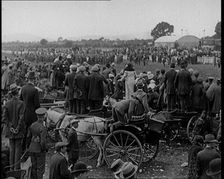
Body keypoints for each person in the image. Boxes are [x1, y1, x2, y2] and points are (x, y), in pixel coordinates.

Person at [2, 83, 25, 170]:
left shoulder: (7, 103)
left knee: (12, 149)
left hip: (10, 131)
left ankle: (11, 168)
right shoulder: (21, 103)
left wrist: (11, 127)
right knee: (18, 149)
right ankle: (16, 168)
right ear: (17, 92)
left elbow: (4, 118)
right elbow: (21, 118)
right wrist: (17, 128)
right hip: (18, 131)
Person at [20, 71, 40, 151]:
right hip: (32, 115)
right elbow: (37, 105)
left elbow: (21, 100)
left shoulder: (23, 88)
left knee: (24, 132)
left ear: (28, 79)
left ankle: (22, 148)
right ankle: (30, 147)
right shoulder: (34, 90)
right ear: (34, 80)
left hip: (24, 113)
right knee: (32, 132)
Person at [28, 107, 48, 179]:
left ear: (37, 116)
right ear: (44, 116)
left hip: (32, 148)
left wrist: (28, 147)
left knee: (34, 167)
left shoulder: (32, 125)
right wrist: (44, 149)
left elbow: (28, 137)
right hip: (39, 150)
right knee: (40, 169)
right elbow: (43, 142)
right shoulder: (43, 127)